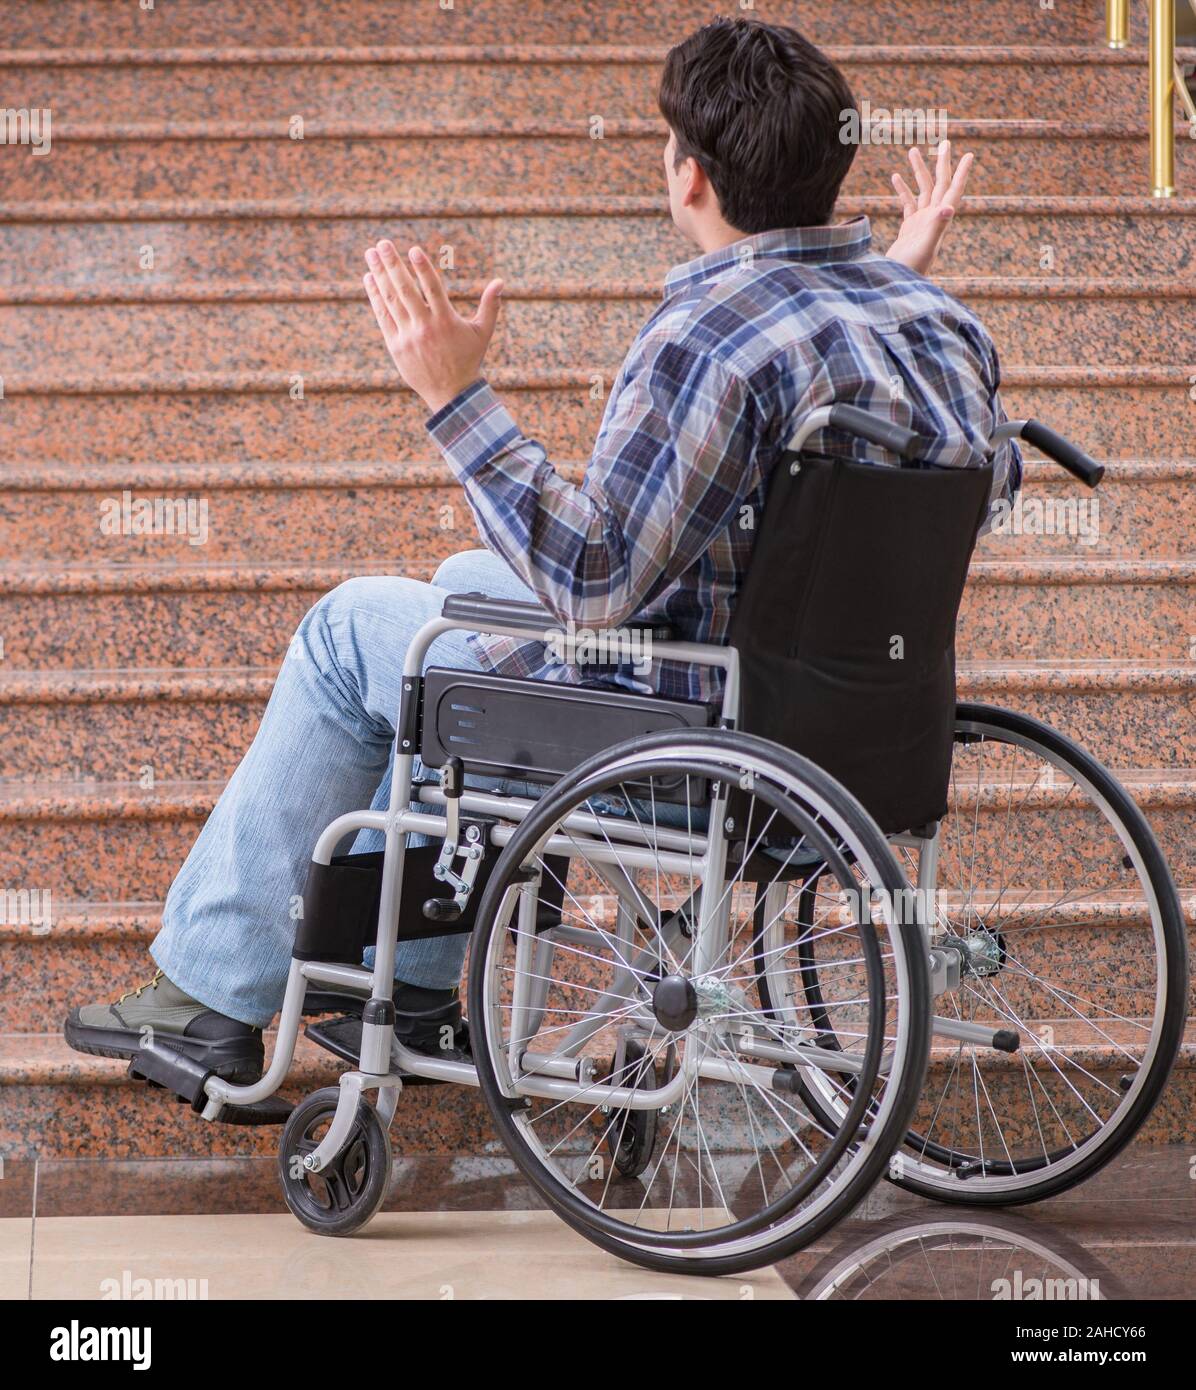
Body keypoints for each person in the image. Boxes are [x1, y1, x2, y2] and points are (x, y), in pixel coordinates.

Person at [64, 18, 1019, 1083]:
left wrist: (453, 397)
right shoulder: (938, 324)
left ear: (689, 178)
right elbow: (973, 501)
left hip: (688, 731)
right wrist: (888, 298)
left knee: (349, 631)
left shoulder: (708, 338)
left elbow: (594, 582)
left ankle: (211, 988)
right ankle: (419, 974)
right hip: (858, 732)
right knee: (460, 589)